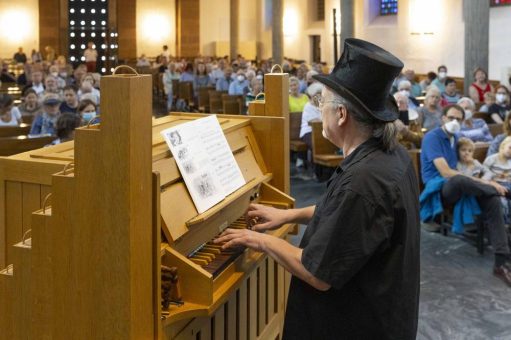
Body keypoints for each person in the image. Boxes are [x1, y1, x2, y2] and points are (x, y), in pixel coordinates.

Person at [215, 39, 420, 339]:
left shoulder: (364, 182)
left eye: (322, 102)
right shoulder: (390, 155)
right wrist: (289, 216)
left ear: (341, 115)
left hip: (356, 325)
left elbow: (318, 273)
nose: (319, 109)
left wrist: (259, 240)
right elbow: (350, 218)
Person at [420, 104, 511, 286]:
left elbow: (468, 161)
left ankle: (501, 261)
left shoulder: (457, 137)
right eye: (451, 117)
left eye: (459, 119)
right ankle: (502, 191)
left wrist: (477, 171)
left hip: (460, 183)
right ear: (443, 118)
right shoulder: (432, 137)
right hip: (439, 189)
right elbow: (446, 173)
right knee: (461, 181)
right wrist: (487, 182)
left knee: (492, 200)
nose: (455, 122)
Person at [482, 136, 511, 223]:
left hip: (508, 185)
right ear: (502, 146)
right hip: (495, 185)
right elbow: (484, 176)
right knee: (503, 202)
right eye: (510, 148)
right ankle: (504, 224)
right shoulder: (492, 159)